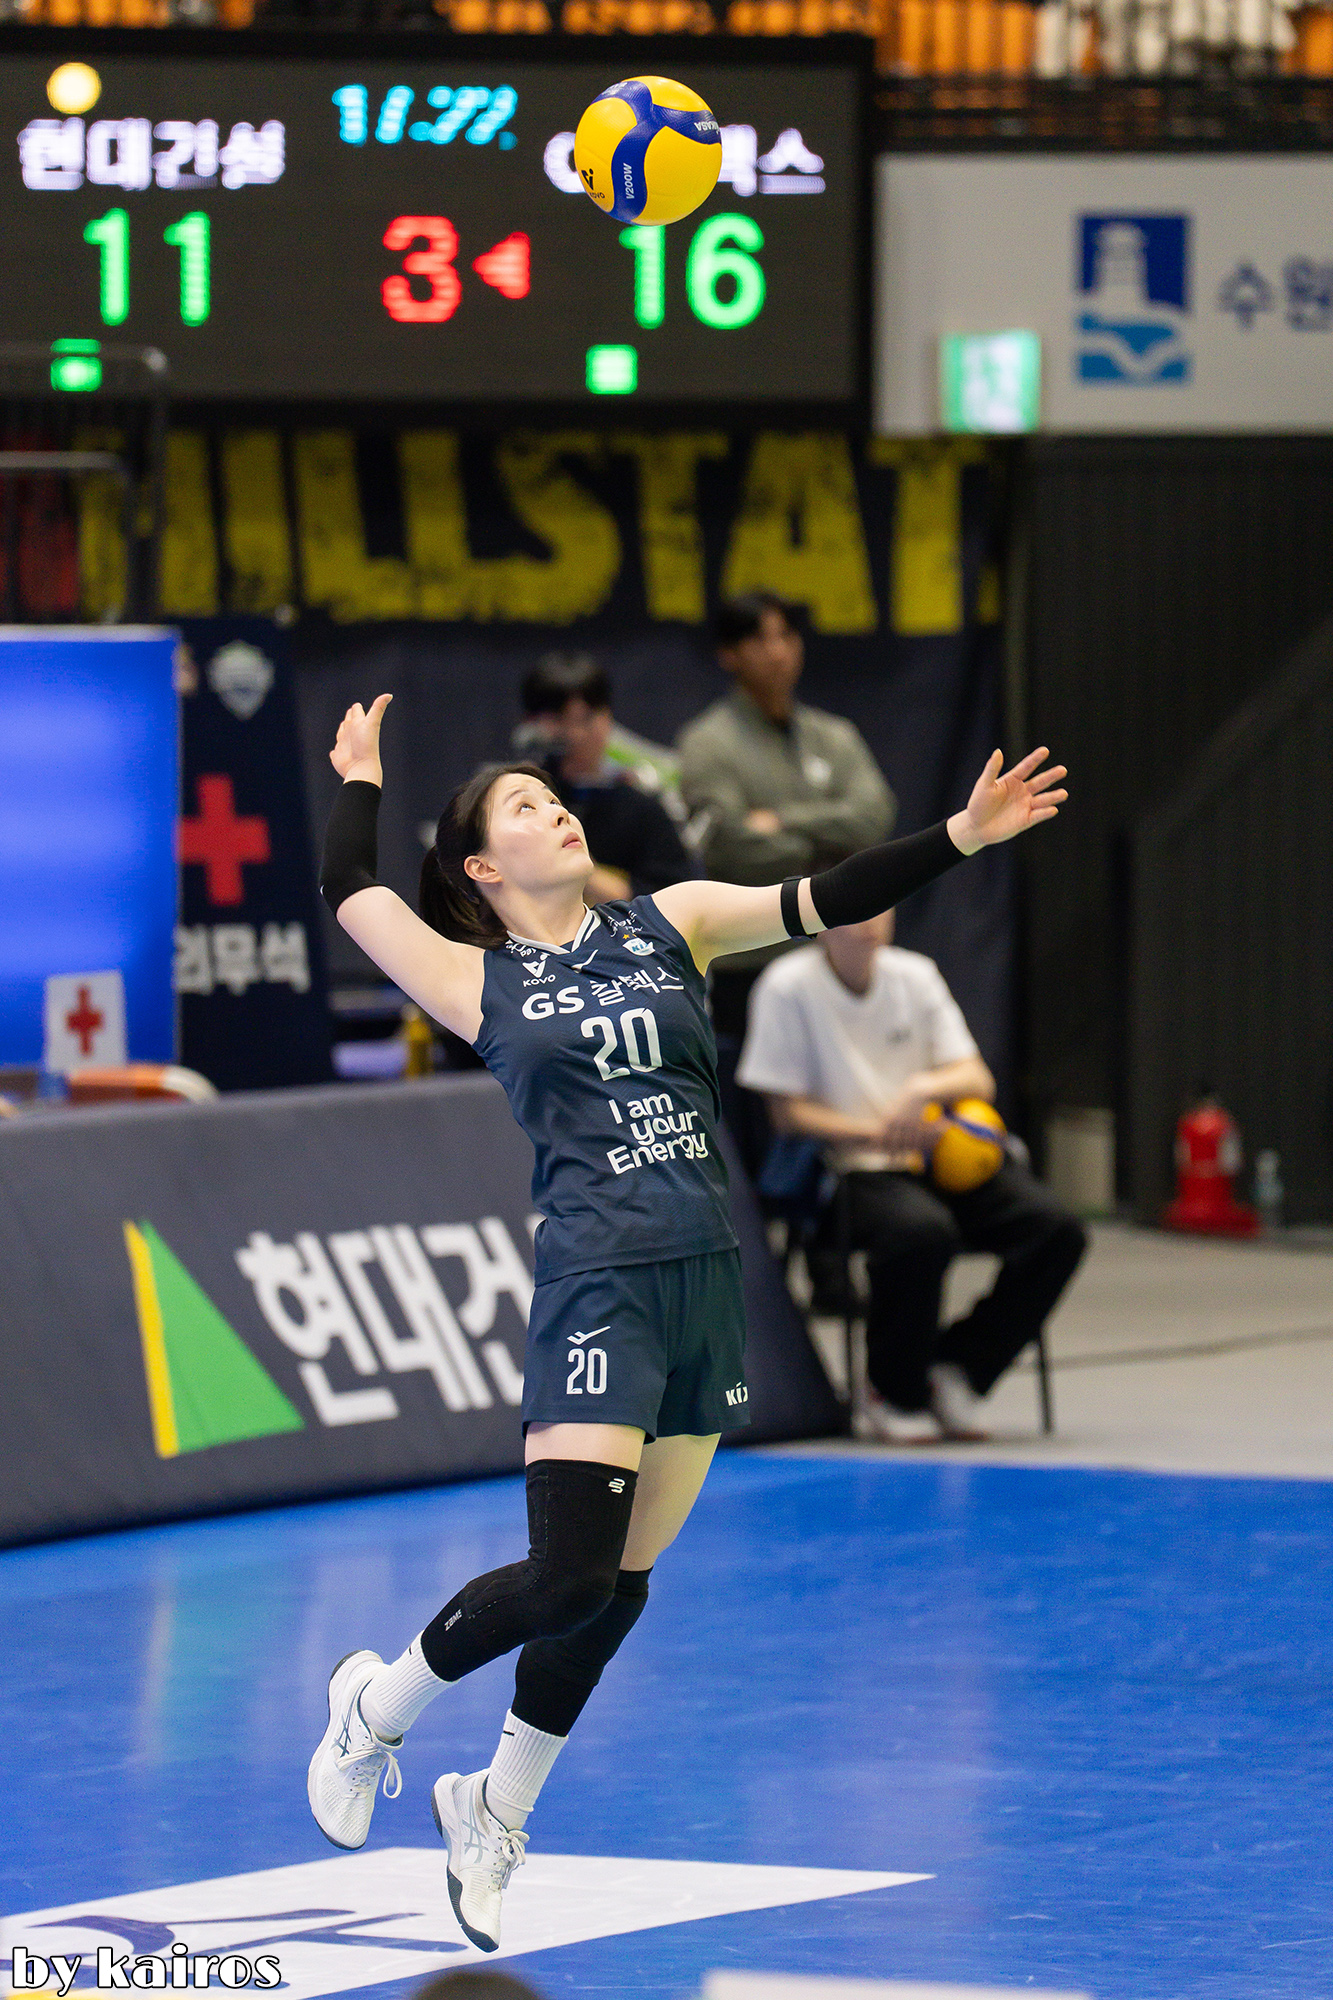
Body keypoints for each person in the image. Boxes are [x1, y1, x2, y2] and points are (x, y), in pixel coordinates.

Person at [307, 690, 1065, 1956]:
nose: (556, 808)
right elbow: (347, 886)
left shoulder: (675, 920)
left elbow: (826, 895)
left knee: (621, 1587)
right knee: (566, 1574)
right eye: (524, 806)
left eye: (555, 796)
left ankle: (495, 1807)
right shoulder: (471, 977)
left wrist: (963, 834)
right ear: (483, 866)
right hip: (596, 1281)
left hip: (703, 1281)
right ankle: (375, 1707)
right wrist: (361, 777)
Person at [737, 910, 1087, 1443]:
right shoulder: (786, 987)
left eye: (883, 903)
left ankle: (959, 1367)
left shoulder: (915, 975)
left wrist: (923, 1091)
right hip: (846, 1170)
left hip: (935, 1156)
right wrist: (876, 1134)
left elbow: (976, 1078)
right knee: (921, 1232)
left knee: (1057, 1230)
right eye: (855, 905)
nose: (871, 918)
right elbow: (787, 1115)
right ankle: (893, 1390)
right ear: (820, 920)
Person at [675, 593, 896, 1041]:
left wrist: (781, 820)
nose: (777, 651)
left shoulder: (834, 735)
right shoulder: (706, 743)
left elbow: (875, 818)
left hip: (842, 958)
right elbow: (730, 846)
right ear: (729, 654)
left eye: (787, 636)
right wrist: (834, 858)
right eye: (760, 639)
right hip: (753, 960)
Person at [514, 653, 692, 902]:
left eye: (586, 718)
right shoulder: (517, 800)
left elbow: (674, 897)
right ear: (531, 723)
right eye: (559, 719)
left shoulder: (640, 808)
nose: (575, 734)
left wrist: (578, 867)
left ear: (607, 716)